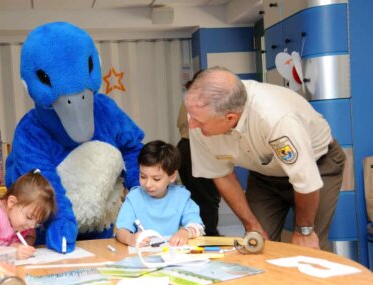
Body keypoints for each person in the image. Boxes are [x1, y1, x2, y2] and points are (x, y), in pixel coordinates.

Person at [185, 67, 345, 251]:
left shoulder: (275, 118)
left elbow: (306, 181)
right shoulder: (200, 114)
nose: (191, 124)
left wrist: (304, 232)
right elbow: (221, 175)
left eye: (198, 122)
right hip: (265, 174)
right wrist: (251, 225)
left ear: (230, 118)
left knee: (307, 250)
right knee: (256, 244)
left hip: (317, 167)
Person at [115, 140, 205, 247]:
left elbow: (198, 226)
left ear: (172, 176)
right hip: (142, 257)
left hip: (171, 256)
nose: (148, 184)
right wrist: (130, 238)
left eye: (156, 179)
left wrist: (185, 233)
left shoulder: (181, 197)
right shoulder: (134, 198)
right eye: (143, 176)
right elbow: (121, 231)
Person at [0, 169, 56, 259]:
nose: (32, 226)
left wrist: (22, 247)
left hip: (2, 265)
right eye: (29, 217)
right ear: (12, 203)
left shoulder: (26, 221)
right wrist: (10, 252)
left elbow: (31, 237)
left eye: (37, 223)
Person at [177, 76, 221, 236]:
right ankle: (207, 234)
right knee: (207, 198)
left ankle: (201, 231)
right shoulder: (202, 100)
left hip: (184, 147)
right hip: (195, 148)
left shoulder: (191, 97)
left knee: (197, 195)